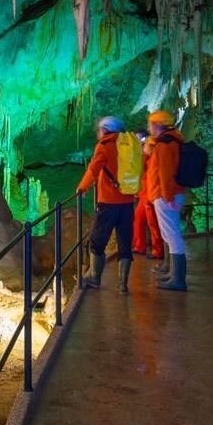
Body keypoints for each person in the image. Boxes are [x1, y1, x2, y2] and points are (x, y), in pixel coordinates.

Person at [76, 116, 135, 294]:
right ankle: (123, 284)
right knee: (125, 243)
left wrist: (82, 187)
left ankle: (94, 277)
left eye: (99, 129)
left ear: (105, 130)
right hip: (127, 202)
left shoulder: (105, 145)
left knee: (96, 241)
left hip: (109, 202)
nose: (97, 132)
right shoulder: (130, 145)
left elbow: (93, 169)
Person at [146, 110, 187, 291]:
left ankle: (178, 279)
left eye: (150, 124)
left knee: (172, 235)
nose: (149, 128)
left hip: (165, 195)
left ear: (157, 125)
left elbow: (165, 172)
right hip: (170, 193)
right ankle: (172, 273)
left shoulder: (164, 145)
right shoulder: (173, 140)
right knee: (170, 234)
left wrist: (168, 196)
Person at [132, 135, 165, 259]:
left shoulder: (155, 160)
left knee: (153, 223)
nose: (143, 146)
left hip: (151, 194)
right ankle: (139, 245)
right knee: (138, 219)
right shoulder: (147, 158)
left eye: (145, 144)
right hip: (145, 193)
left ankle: (158, 250)